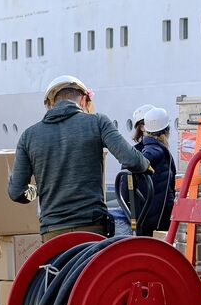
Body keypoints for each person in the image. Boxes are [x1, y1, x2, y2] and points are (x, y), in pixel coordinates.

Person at [10, 74, 149, 241]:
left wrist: (38, 189)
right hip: (91, 229)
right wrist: (146, 164)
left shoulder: (29, 136)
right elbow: (133, 160)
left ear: (51, 103)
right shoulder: (97, 122)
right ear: (83, 100)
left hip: (52, 234)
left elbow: (16, 192)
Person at [129, 106, 177, 235]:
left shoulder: (151, 148)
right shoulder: (156, 150)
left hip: (149, 216)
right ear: (166, 130)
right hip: (157, 220)